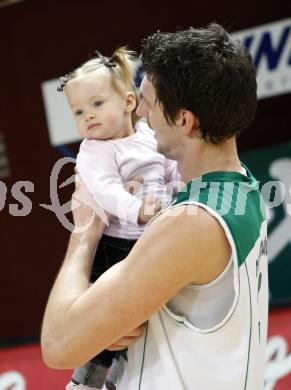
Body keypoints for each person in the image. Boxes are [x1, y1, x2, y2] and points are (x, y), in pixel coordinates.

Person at [41, 23, 269, 389]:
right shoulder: (241, 182)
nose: (140, 113)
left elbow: (56, 345)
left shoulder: (189, 224)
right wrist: (107, 321)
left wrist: (84, 230)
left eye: (148, 102)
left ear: (183, 120)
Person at [57, 47, 180, 389]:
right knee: (106, 318)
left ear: (128, 102)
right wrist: (135, 209)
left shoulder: (149, 136)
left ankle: (128, 372)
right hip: (115, 245)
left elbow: (171, 166)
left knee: (145, 313)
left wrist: (179, 189)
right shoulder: (93, 150)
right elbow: (106, 189)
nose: (88, 116)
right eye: (78, 111)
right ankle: (89, 378)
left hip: (153, 237)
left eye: (97, 104)